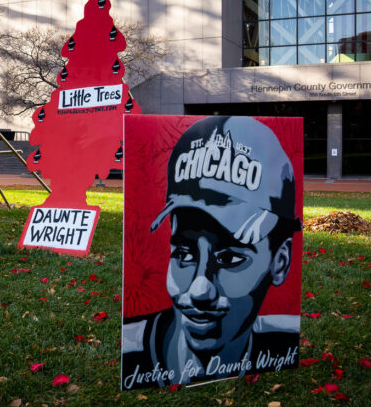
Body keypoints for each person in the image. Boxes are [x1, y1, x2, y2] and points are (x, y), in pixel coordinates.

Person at [122, 116, 302, 389]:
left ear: (280, 261)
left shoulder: (282, 344)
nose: (200, 290)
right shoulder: (132, 350)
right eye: (185, 255)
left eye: (229, 258)